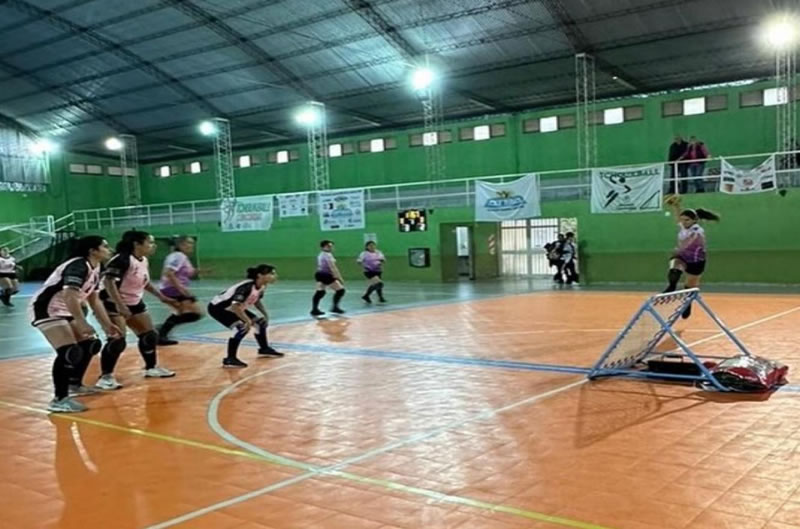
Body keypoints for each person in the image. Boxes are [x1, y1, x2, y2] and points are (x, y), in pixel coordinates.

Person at [28, 236, 121, 413]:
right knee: (69, 351)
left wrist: (107, 324)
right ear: (92, 250)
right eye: (105, 246)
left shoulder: (96, 267)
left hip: (66, 309)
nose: (109, 249)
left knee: (89, 345)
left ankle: (74, 384)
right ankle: (59, 399)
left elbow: (94, 299)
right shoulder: (78, 265)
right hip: (46, 308)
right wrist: (82, 322)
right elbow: (70, 295)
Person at [96, 230, 179, 390]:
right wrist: (120, 305)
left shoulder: (143, 260)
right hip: (112, 303)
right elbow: (109, 282)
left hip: (134, 302)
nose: (153, 246)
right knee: (117, 340)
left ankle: (151, 368)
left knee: (150, 335)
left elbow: (145, 282)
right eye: (150, 242)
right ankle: (105, 377)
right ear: (137, 244)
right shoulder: (121, 260)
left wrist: (161, 297)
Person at [208, 264, 282, 368]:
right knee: (241, 328)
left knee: (260, 323)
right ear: (260, 275)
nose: (275, 276)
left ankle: (264, 349)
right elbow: (235, 306)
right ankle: (230, 359)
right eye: (271, 274)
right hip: (219, 308)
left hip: (236, 307)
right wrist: (247, 321)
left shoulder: (262, 286)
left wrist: (265, 314)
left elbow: (256, 300)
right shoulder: (246, 287)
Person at [663, 195, 720, 318]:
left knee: (690, 287)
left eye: (687, 220)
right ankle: (671, 287)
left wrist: (679, 248)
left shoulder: (697, 231)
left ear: (694, 220)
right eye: (682, 220)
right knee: (674, 269)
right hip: (683, 257)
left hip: (696, 261)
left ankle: (687, 306)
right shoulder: (684, 225)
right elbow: (678, 216)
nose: (683, 222)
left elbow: (688, 243)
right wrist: (676, 205)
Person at [156, 236, 203, 345]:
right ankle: (161, 331)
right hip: (173, 289)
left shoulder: (181, 257)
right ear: (181, 244)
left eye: (192, 243)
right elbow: (169, 273)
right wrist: (181, 290)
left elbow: (189, 273)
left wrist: (200, 271)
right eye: (189, 243)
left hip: (172, 288)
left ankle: (162, 333)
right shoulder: (178, 256)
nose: (191, 246)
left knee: (180, 313)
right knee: (195, 314)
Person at [311, 240, 345, 317]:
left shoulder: (321, 254)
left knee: (320, 292)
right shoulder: (328, 255)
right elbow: (333, 267)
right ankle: (335, 307)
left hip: (319, 274)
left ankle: (314, 309)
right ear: (323, 247)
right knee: (340, 290)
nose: (331, 247)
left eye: (331, 246)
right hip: (326, 274)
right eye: (328, 246)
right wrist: (339, 277)